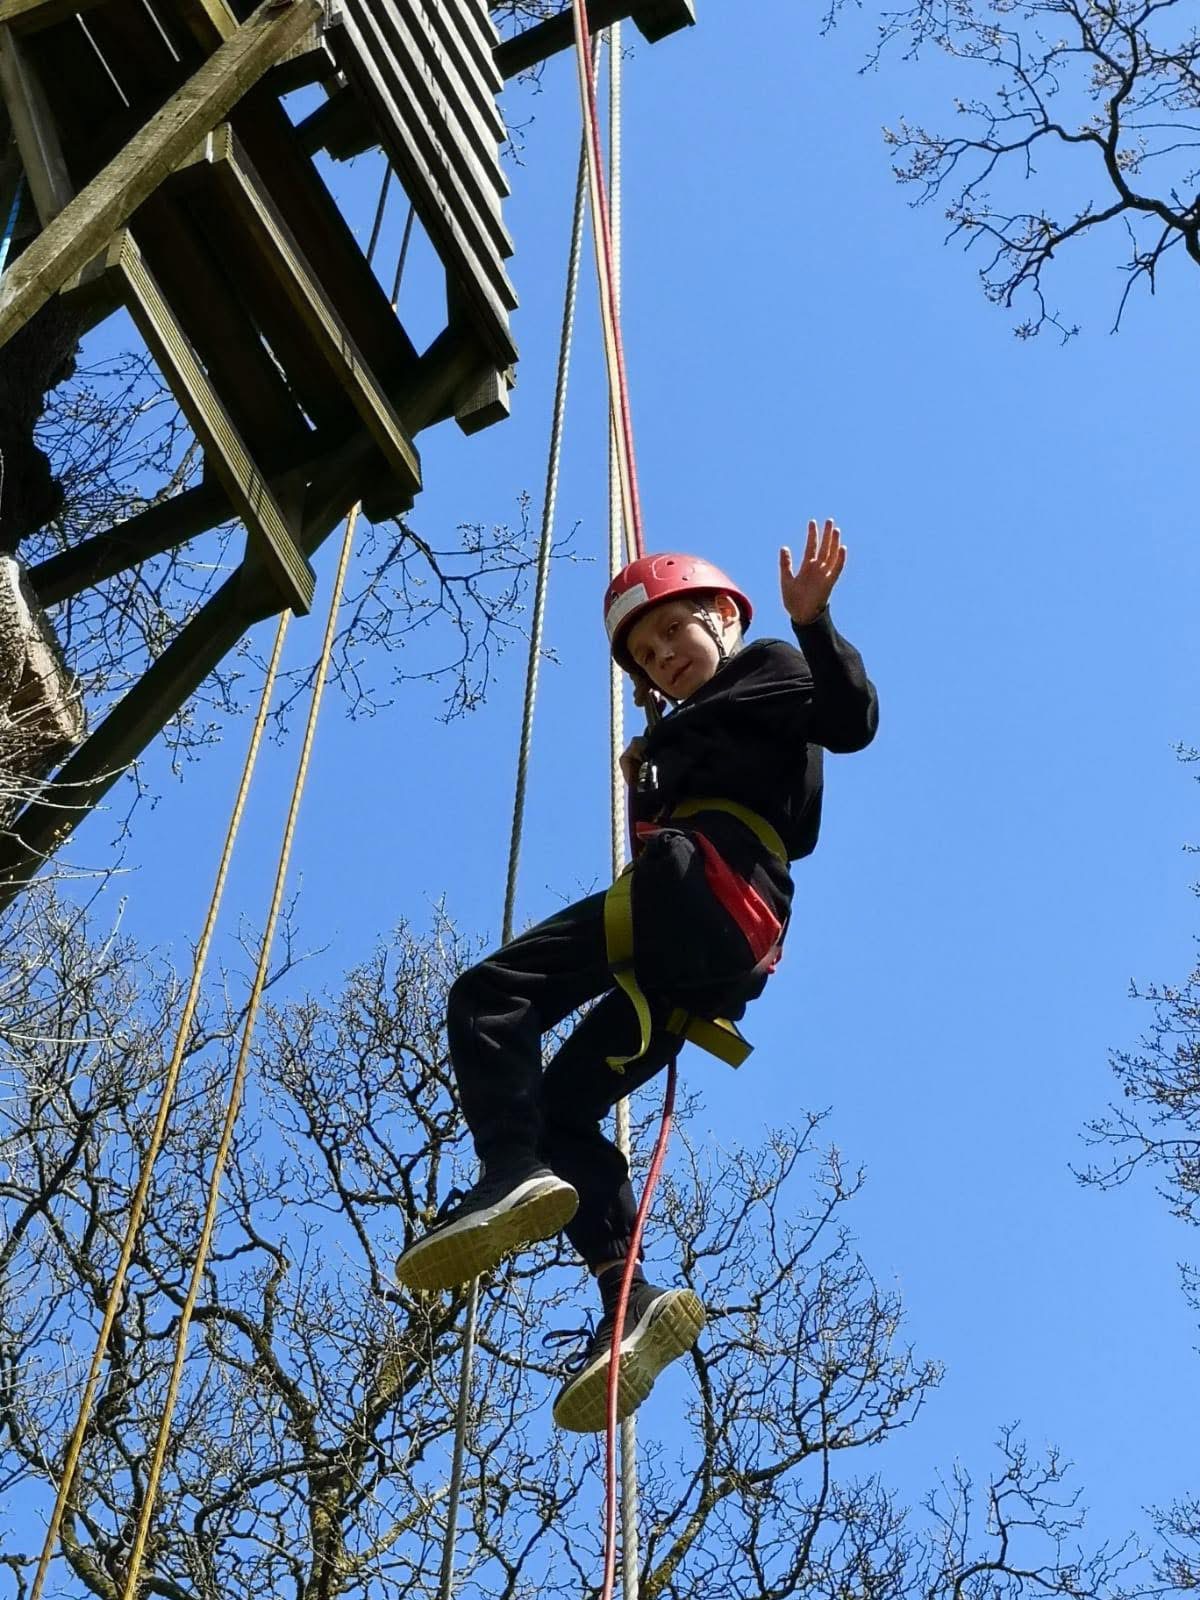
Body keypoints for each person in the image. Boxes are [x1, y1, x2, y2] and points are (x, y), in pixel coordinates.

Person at [396, 519, 878, 1433]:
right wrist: (651, 777)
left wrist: (814, 624)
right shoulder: (701, 733)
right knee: (568, 1114)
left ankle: (506, 1170)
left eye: (675, 635)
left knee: (491, 996)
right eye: (650, 659)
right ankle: (633, 1301)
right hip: (710, 952)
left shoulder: (769, 668)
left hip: (701, 891)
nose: (665, 660)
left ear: (723, 622)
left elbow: (850, 719)